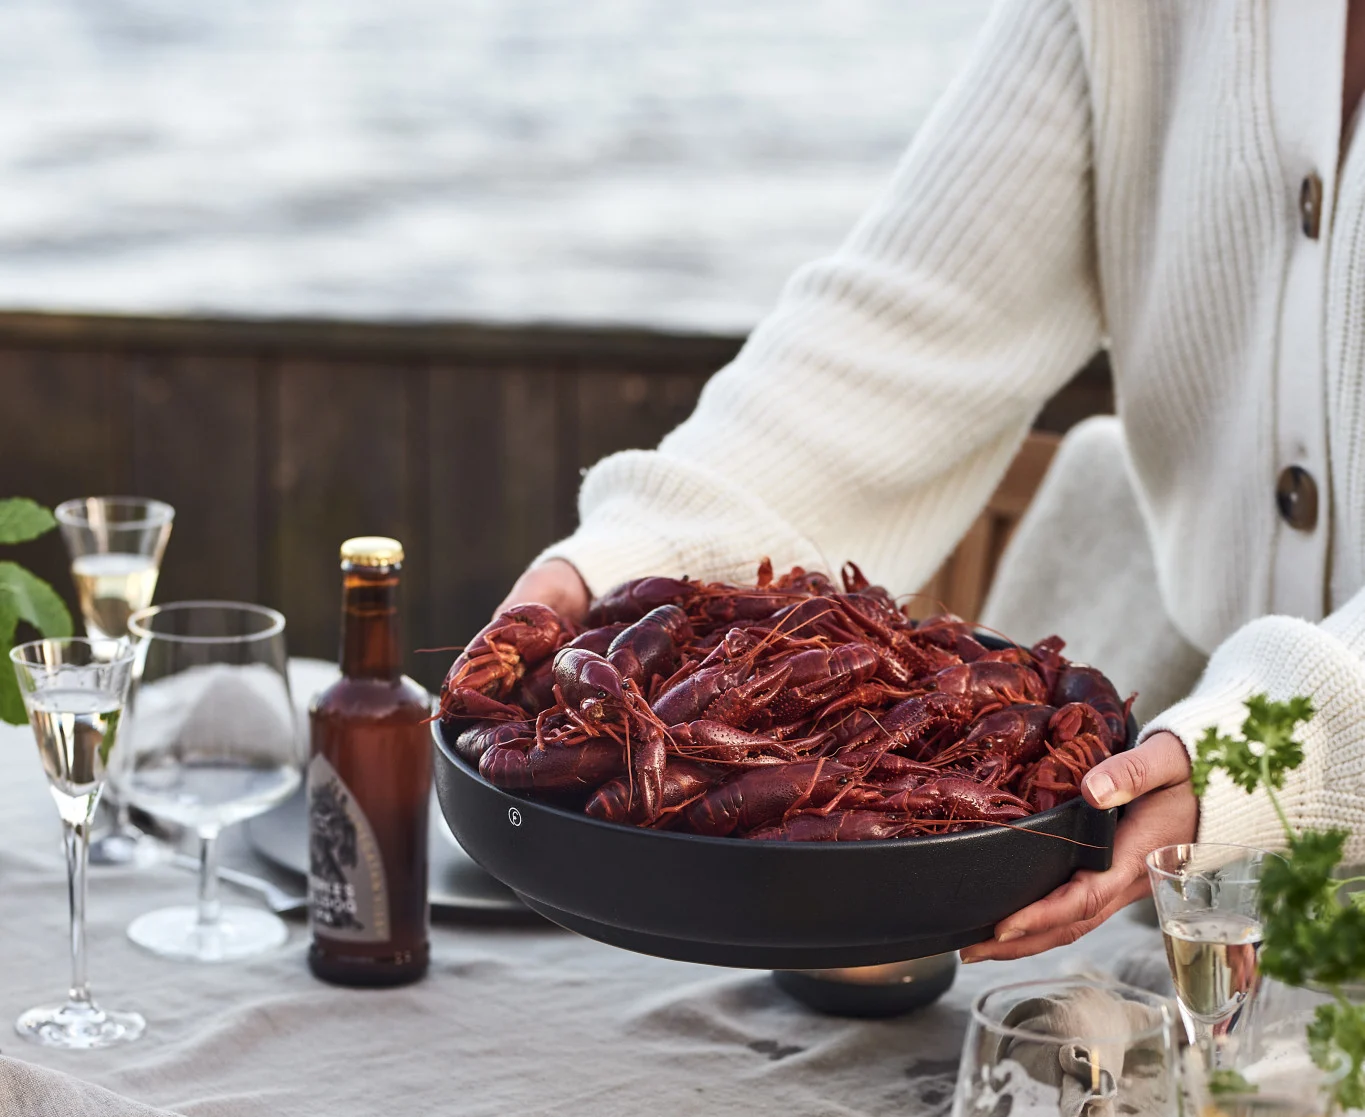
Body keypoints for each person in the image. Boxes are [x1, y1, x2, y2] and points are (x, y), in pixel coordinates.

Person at [491, 0, 1365, 958]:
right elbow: (913, 322)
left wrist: (1269, 759)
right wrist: (634, 555)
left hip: (1232, 805)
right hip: (1201, 898)